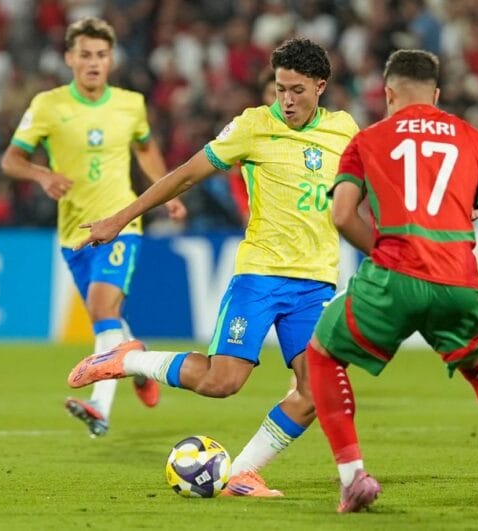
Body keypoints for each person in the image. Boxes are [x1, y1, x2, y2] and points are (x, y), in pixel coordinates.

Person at [66, 38, 359, 496]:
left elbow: (379, 183)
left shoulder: (345, 130)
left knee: (315, 392)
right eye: (280, 88)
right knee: (222, 382)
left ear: (320, 87)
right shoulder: (253, 126)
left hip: (316, 284)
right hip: (261, 276)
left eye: (297, 90)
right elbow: (185, 173)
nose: (286, 100)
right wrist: (121, 218)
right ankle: (130, 358)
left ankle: (242, 472)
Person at [303, 49, 478, 513]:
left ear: (387, 93)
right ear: (438, 94)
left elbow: (341, 213)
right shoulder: (473, 138)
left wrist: (381, 252)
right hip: (459, 279)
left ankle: (353, 476)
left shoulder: (367, 140)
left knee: (322, 354)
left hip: (394, 276)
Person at [0, 17, 187, 438]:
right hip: (74, 233)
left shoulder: (130, 104)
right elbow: (10, 159)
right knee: (109, 319)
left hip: (121, 223)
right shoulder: (47, 105)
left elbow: (146, 149)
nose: (93, 63)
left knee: (103, 311)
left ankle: (99, 409)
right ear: (69, 58)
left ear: (111, 59)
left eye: (101, 55)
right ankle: (140, 366)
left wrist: (168, 194)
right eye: (85, 55)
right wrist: (41, 175)